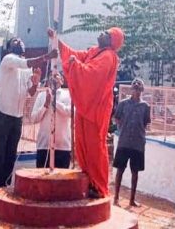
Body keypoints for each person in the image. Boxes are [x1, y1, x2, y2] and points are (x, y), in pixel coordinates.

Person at [49, 26, 125, 198]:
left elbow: (93, 75)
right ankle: (89, 180)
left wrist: (76, 66)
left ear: (111, 42)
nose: (101, 33)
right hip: (86, 105)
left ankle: (99, 186)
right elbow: (74, 54)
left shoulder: (108, 56)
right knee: (83, 143)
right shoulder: (94, 51)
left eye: (106, 33)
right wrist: (56, 40)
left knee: (95, 146)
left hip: (97, 108)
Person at [0, 37, 57, 188]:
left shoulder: (26, 69)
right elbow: (26, 63)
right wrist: (47, 56)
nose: (19, 42)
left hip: (16, 117)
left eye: (21, 40)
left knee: (11, 154)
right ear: (9, 48)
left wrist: (35, 82)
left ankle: (6, 186)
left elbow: (31, 93)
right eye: (15, 41)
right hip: (1, 113)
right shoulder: (8, 59)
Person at [113, 78, 151, 207]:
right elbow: (116, 118)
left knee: (135, 172)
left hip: (138, 143)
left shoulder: (145, 106)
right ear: (131, 89)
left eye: (139, 88)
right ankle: (116, 198)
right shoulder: (123, 104)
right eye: (135, 88)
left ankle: (131, 200)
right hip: (124, 141)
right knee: (120, 170)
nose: (137, 90)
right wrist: (123, 127)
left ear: (142, 90)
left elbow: (145, 122)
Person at [30, 72, 72, 169]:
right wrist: (45, 105)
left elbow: (71, 112)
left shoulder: (68, 94)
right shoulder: (41, 96)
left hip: (63, 147)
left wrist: (54, 101)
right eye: (51, 76)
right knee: (42, 180)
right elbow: (33, 118)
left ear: (62, 80)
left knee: (61, 181)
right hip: (44, 146)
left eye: (56, 75)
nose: (53, 78)